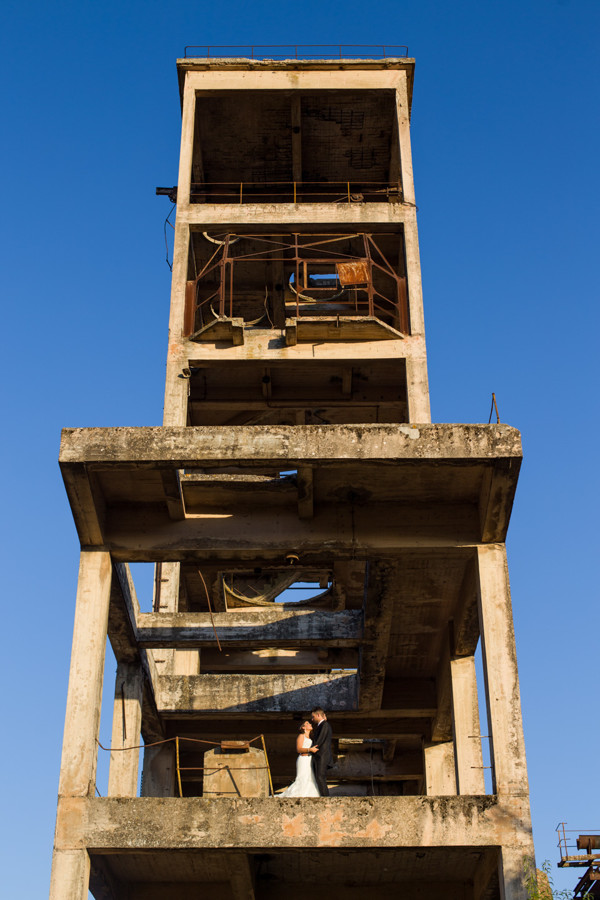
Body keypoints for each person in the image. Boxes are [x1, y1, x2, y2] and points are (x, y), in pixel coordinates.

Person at [279, 719, 320, 797]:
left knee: (309, 777)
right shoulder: (301, 736)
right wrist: (310, 749)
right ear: (303, 727)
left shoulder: (311, 738)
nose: (310, 724)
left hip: (309, 760)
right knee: (302, 777)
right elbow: (298, 749)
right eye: (307, 723)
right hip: (303, 759)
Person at [309, 707, 333, 797]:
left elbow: (320, 740)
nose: (312, 719)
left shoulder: (324, 725)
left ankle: (325, 798)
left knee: (320, 777)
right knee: (318, 777)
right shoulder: (321, 725)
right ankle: (322, 796)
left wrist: (311, 750)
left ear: (318, 715)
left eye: (313, 716)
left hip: (322, 755)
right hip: (319, 755)